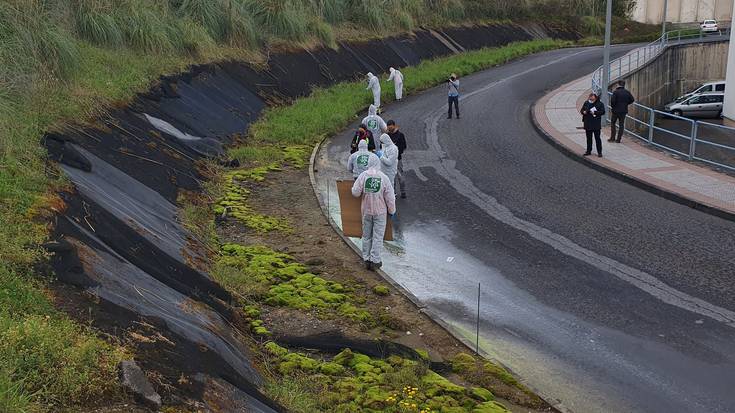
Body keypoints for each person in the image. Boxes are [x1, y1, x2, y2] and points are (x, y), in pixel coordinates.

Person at [352, 156, 396, 270]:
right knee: (378, 237)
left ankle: (366, 259)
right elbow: (390, 197)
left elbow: (355, 192)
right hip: (380, 212)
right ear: (378, 163)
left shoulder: (363, 176)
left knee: (366, 235)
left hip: (366, 211)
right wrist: (392, 211)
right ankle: (375, 261)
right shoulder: (384, 178)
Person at [580, 93, 605, 157]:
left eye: (592, 96)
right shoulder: (586, 103)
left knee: (597, 138)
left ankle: (599, 152)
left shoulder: (600, 104)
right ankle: (588, 151)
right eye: (590, 96)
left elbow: (603, 112)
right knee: (589, 138)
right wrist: (583, 112)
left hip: (596, 124)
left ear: (596, 97)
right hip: (587, 123)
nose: (590, 97)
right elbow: (582, 110)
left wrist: (595, 112)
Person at [387, 120, 407, 198]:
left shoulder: (400, 135)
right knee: (391, 177)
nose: (389, 128)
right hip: (389, 160)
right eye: (388, 127)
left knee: (400, 176)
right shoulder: (386, 135)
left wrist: (397, 151)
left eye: (390, 126)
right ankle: (393, 192)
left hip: (398, 159)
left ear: (394, 126)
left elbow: (404, 146)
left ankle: (403, 192)